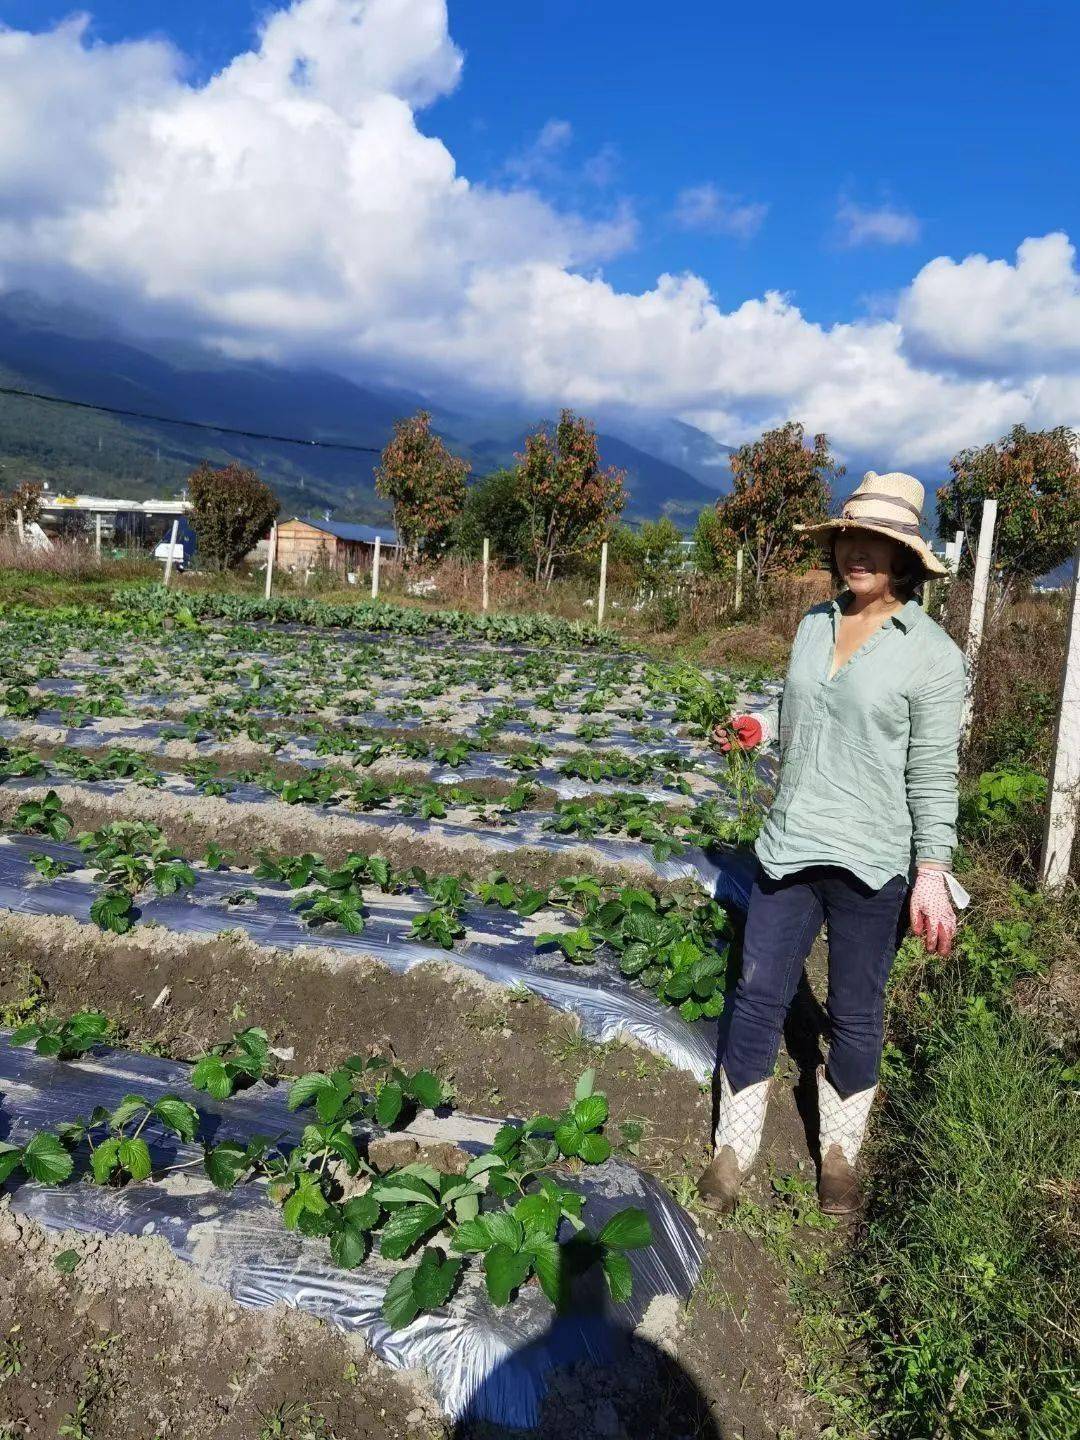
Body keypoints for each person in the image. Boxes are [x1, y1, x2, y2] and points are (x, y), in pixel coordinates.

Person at [697, 471, 967, 1216]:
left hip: (873, 859)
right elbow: (804, 715)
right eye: (852, 537)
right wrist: (759, 726)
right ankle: (734, 1146)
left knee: (855, 1010)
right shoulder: (815, 624)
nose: (860, 553)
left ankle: (839, 1153)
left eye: (879, 544)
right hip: (790, 844)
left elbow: (934, 772)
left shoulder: (932, 655)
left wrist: (933, 871)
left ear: (905, 558)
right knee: (756, 993)